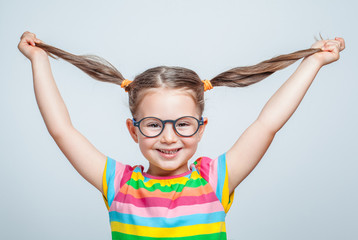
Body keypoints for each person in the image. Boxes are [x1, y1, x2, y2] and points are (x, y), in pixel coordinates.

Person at [18, 31, 345, 239]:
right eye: (153, 124)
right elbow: (61, 130)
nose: (169, 137)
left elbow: (267, 124)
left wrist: (312, 63)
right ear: (134, 131)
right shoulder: (119, 185)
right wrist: (39, 60)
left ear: (202, 129)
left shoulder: (215, 181)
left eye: (183, 124)